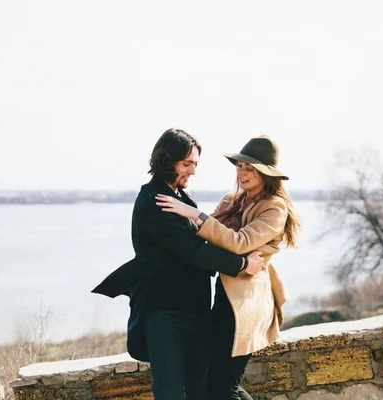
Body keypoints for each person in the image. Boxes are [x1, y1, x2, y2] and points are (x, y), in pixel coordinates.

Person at [92, 128, 265, 400]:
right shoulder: (154, 201)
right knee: (171, 394)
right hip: (165, 317)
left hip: (195, 314)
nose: (192, 171)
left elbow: (206, 243)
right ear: (166, 160)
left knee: (201, 393)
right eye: (186, 164)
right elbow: (192, 250)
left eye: (195, 164)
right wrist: (242, 264)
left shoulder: (181, 199)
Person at [155, 135, 301, 399]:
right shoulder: (230, 201)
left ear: (265, 173)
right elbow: (205, 238)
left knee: (223, 387)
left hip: (246, 305)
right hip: (224, 299)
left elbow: (238, 242)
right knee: (214, 383)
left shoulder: (274, 208)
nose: (241, 173)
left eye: (249, 168)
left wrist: (191, 213)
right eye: (240, 166)